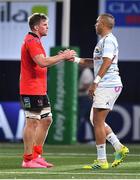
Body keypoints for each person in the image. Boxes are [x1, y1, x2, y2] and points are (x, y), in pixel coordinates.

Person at [70, 13, 129, 169]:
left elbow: (108, 62)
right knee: (96, 120)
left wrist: (95, 82)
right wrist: (75, 59)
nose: (95, 24)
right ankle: (119, 147)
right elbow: (95, 62)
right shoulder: (104, 41)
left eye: (97, 22)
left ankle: (102, 161)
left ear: (103, 23)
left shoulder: (109, 40)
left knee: (97, 121)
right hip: (107, 84)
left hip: (108, 84)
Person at [19, 13, 76, 168]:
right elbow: (42, 62)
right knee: (32, 122)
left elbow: (42, 63)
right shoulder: (31, 41)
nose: (47, 27)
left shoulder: (36, 41)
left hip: (39, 89)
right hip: (31, 89)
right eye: (45, 24)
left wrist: (60, 57)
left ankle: (36, 155)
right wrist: (64, 56)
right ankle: (28, 159)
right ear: (36, 27)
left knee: (46, 119)